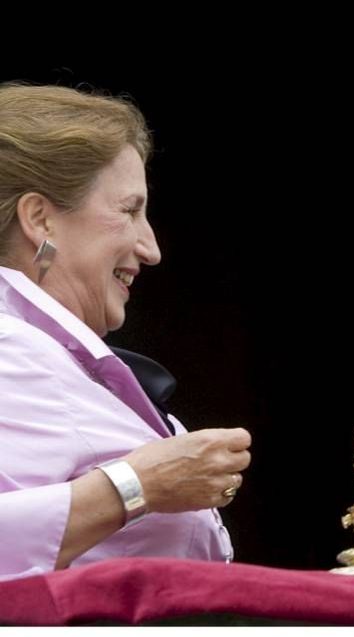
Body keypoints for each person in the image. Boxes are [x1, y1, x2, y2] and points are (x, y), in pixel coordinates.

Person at [0, 83, 251, 581]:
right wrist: (139, 483)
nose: (150, 247)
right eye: (129, 210)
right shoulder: (7, 347)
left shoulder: (47, 350)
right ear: (39, 218)